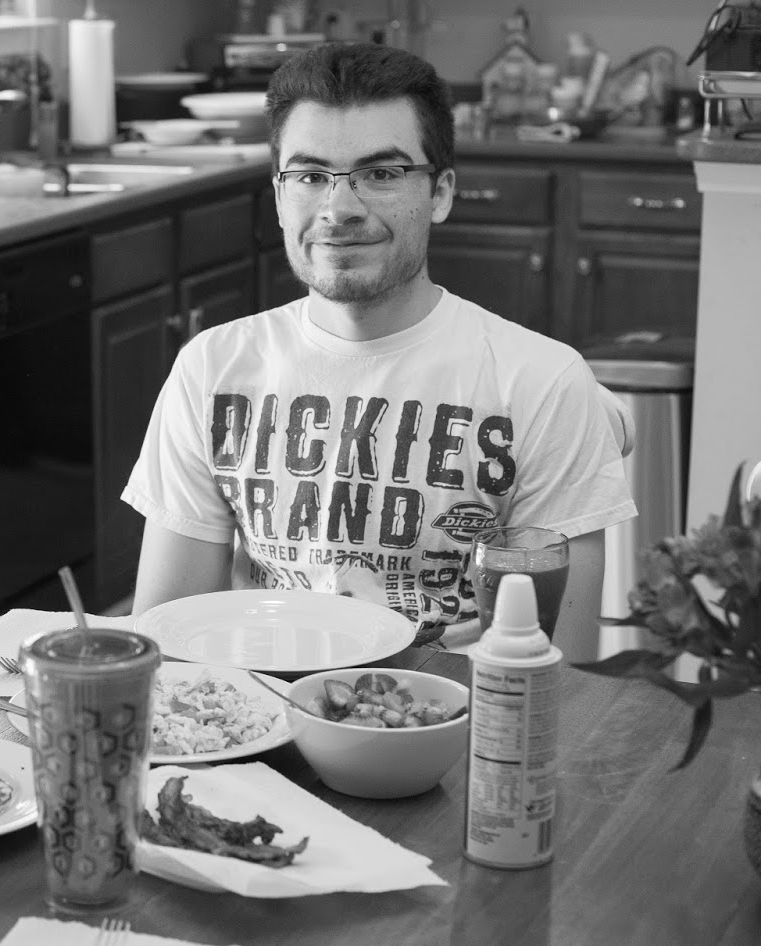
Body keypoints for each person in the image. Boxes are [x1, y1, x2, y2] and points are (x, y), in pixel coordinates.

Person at [124, 42, 635, 653]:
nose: (339, 209)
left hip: (459, 702)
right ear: (280, 196)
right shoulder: (212, 369)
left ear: (440, 193)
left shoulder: (541, 383)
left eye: (382, 174)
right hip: (261, 695)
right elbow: (167, 636)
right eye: (311, 176)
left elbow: (557, 667)